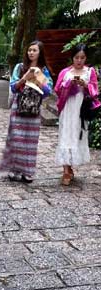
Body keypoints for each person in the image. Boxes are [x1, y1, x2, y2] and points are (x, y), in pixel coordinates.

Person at [0, 40, 53, 183]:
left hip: (34, 108)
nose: (31, 52)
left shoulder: (43, 70)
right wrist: (25, 78)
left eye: (34, 50)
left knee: (30, 139)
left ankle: (27, 171)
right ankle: (14, 169)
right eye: (29, 50)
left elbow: (48, 92)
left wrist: (38, 78)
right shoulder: (20, 67)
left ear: (40, 53)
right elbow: (13, 87)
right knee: (16, 138)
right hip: (18, 106)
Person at [54, 44, 100, 185]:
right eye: (76, 57)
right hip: (68, 108)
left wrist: (85, 85)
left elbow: (95, 91)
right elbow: (57, 89)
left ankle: (70, 166)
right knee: (65, 135)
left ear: (86, 58)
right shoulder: (65, 72)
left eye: (82, 57)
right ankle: (66, 170)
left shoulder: (89, 71)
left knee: (76, 136)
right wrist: (69, 84)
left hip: (81, 109)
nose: (79, 60)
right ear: (72, 58)